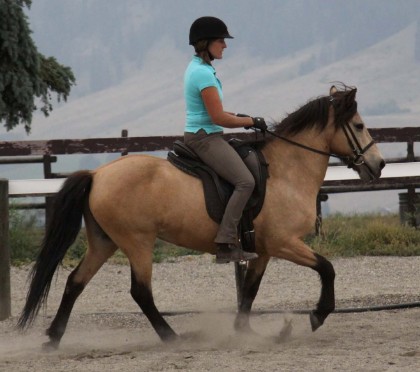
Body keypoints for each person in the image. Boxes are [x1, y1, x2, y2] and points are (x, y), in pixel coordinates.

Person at [184, 16, 268, 264]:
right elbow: (218, 117)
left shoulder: (200, 69)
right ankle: (225, 242)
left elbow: (216, 112)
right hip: (204, 138)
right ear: (206, 43)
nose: (225, 45)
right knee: (245, 181)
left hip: (206, 133)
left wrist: (240, 116)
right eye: (221, 40)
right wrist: (250, 121)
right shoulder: (203, 74)